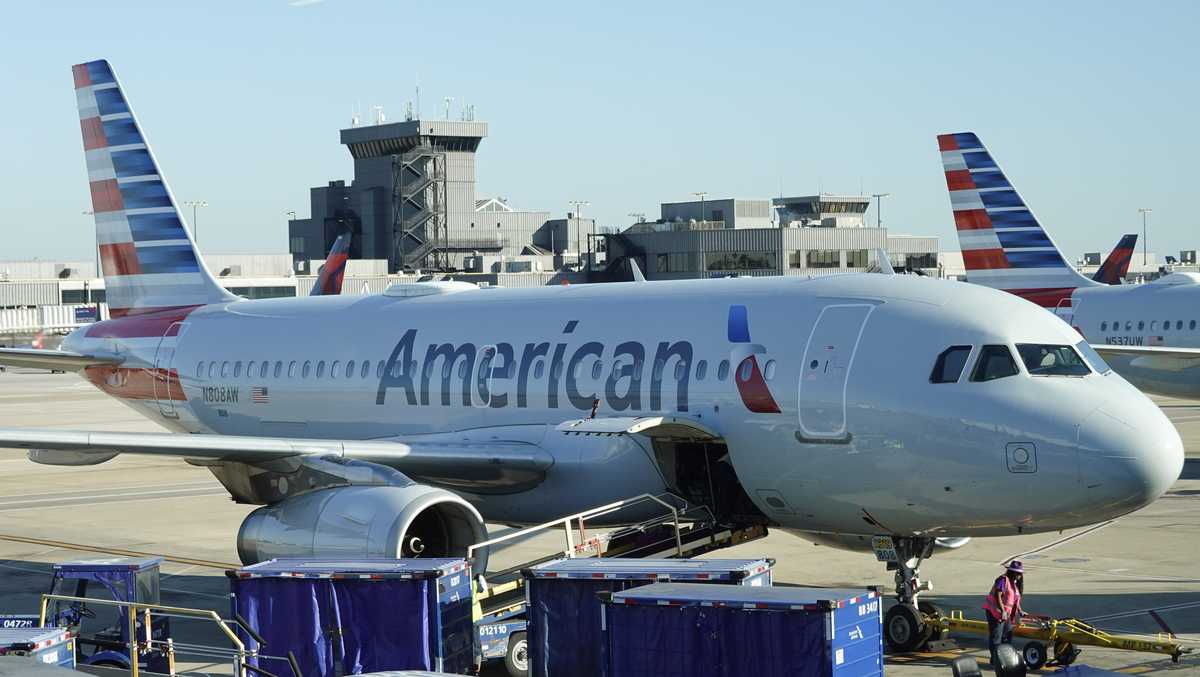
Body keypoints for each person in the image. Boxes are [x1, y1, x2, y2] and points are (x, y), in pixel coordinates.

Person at [983, 560, 1026, 670]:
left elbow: (1014, 601)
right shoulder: (1003, 580)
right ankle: (995, 661)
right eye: (1018, 573)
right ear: (1012, 572)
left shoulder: (1014, 584)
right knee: (996, 637)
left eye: (1020, 573)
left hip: (1005, 614)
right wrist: (1002, 611)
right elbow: (998, 595)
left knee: (1007, 636)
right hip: (995, 611)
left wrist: (1020, 611)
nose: (1020, 575)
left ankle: (1004, 658)